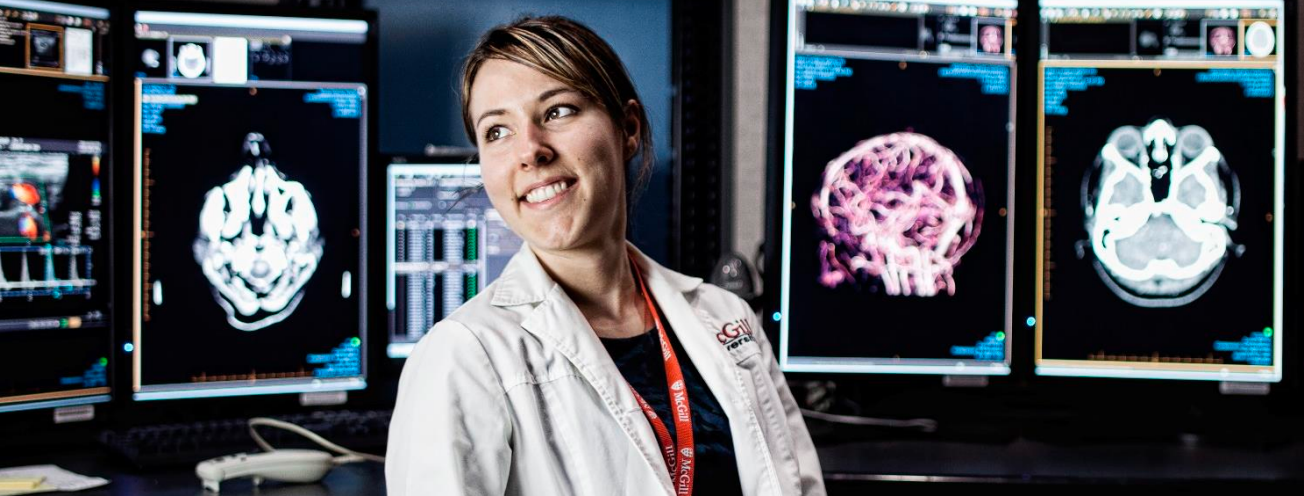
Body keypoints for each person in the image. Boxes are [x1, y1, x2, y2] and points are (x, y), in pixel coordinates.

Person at [386, 15, 825, 496]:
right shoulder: (463, 356)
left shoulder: (726, 320)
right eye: (496, 132)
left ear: (628, 128)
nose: (530, 151)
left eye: (558, 111)